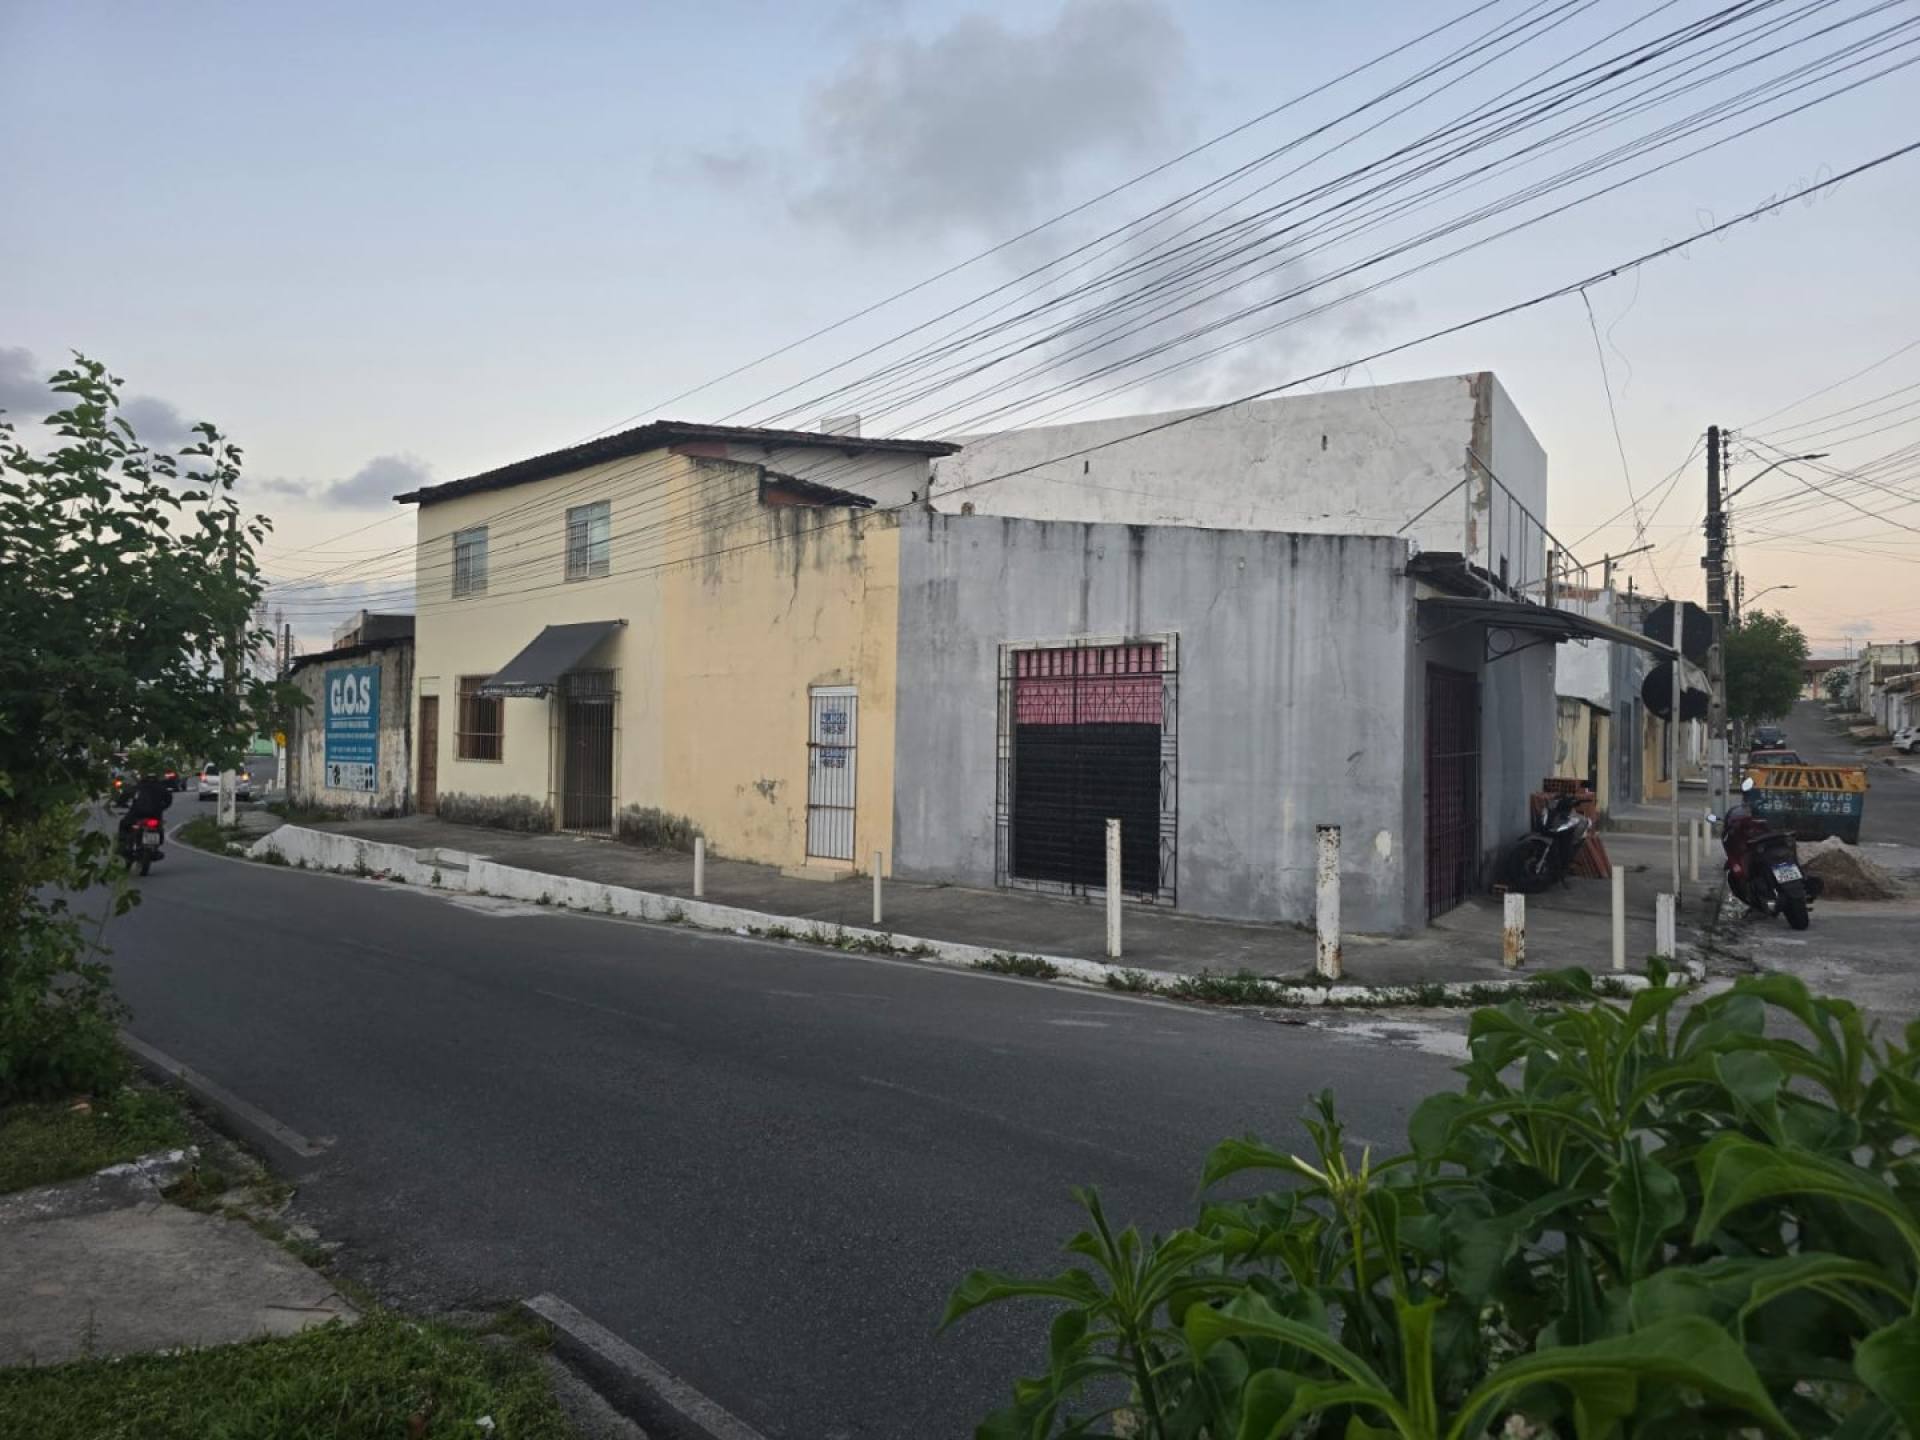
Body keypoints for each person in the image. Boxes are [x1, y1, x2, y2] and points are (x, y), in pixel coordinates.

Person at [118, 769, 173, 845]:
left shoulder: (139, 787)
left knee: (124, 823)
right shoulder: (162, 788)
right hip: (155, 814)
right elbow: (168, 800)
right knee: (158, 825)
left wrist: (121, 802)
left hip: (138, 813)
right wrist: (161, 808)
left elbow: (125, 795)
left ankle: (122, 842)